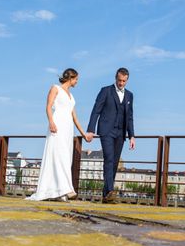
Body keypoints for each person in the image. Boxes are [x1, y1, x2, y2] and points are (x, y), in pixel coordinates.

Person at [28, 68, 89, 201]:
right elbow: (48, 106)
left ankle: (59, 192)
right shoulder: (55, 88)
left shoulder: (71, 96)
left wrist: (84, 134)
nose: (77, 82)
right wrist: (51, 122)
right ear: (71, 78)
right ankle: (67, 189)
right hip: (57, 125)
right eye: (76, 79)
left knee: (66, 158)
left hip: (68, 129)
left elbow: (75, 118)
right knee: (58, 156)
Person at [85, 68, 135, 203]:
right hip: (106, 131)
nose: (121, 83)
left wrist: (132, 136)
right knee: (109, 159)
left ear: (127, 80)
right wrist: (90, 129)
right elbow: (96, 111)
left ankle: (106, 195)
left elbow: (130, 117)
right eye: (119, 80)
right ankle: (110, 191)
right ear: (115, 78)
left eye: (124, 81)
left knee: (115, 163)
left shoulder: (129, 95)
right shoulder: (105, 91)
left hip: (121, 133)